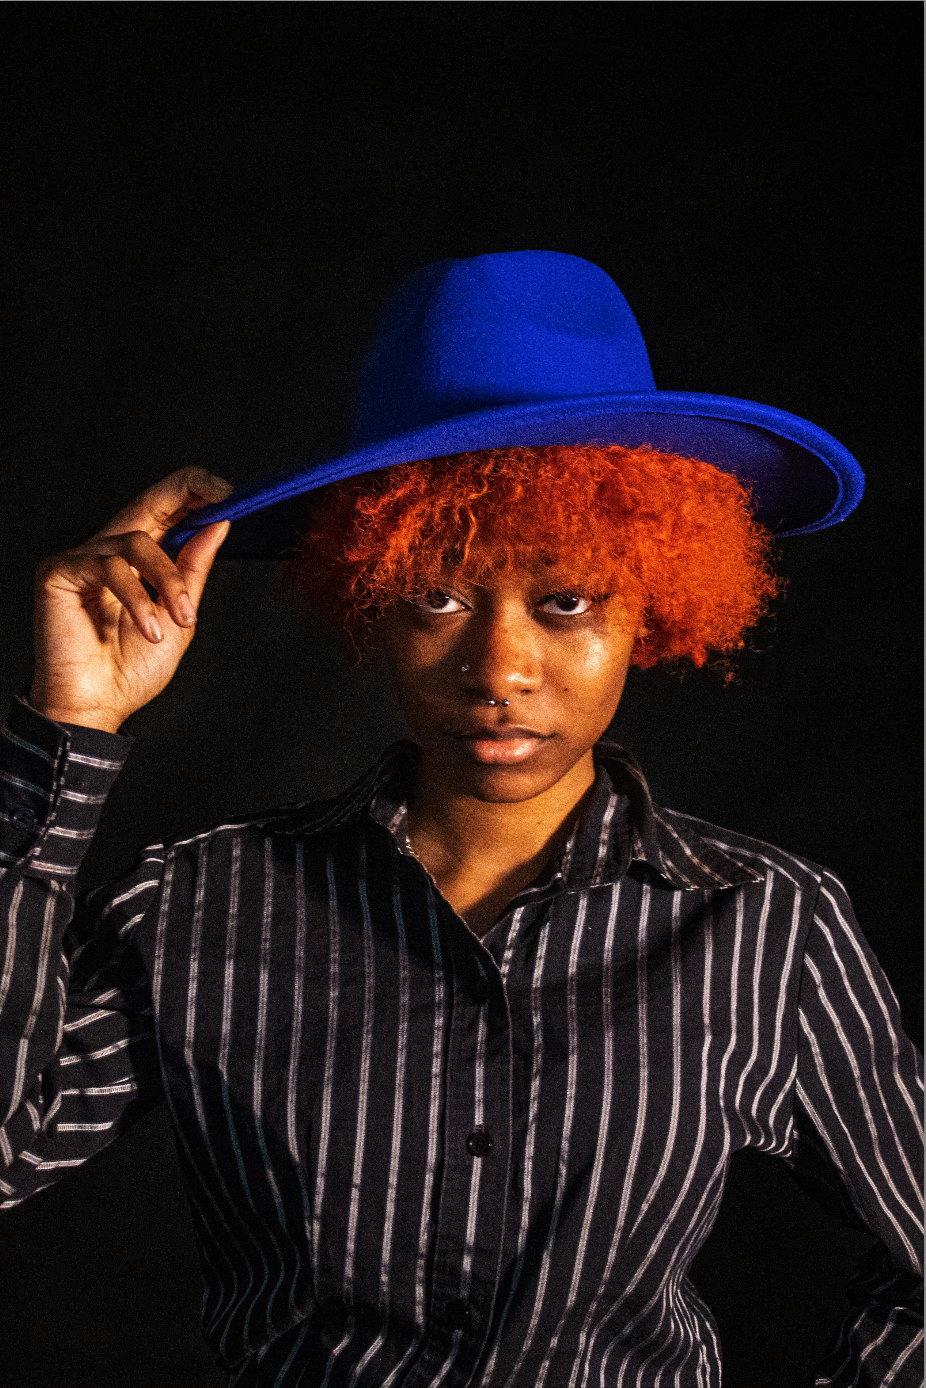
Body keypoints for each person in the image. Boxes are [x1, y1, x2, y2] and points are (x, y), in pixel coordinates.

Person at [0, 252, 921, 1387]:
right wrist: (64, 729)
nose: (500, 667)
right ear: (368, 599)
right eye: (435, 595)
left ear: (657, 605)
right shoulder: (200, 900)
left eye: (567, 600)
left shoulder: (767, 926)